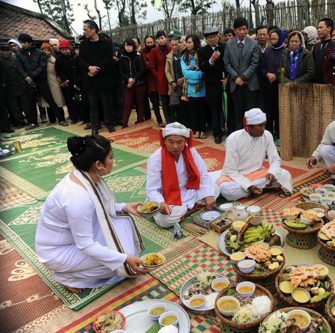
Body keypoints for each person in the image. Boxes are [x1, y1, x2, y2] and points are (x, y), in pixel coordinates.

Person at [35, 135, 149, 293]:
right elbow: (85, 245)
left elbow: (97, 205)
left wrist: (124, 206)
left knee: (123, 222)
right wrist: (123, 260)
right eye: (111, 157)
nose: (113, 161)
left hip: (71, 240)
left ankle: (97, 266)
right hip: (58, 252)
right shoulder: (77, 197)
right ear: (98, 164)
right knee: (117, 265)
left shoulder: (83, 176)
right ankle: (67, 277)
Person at [145, 122, 219, 229]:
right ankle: (193, 209)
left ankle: (185, 211)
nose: (175, 147)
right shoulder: (155, 158)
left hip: (186, 191)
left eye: (180, 142)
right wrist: (161, 203)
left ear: (185, 141)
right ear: (164, 141)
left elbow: (202, 173)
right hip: (166, 197)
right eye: (171, 142)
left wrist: (207, 195)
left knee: (215, 189)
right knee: (163, 220)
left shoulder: (190, 151)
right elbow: (152, 189)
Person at [217, 108, 293, 201]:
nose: (264, 129)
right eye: (260, 125)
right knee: (226, 189)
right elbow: (230, 169)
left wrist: (272, 172)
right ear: (249, 126)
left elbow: (275, 159)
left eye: (264, 125)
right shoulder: (234, 138)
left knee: (285, 175)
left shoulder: (267, 135)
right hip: (237, 176)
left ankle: (256, 189)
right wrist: (248, 186)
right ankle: (262, 188)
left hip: (257, 173)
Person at [16, 34, 68, 129]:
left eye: (24, 42)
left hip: (41, 80)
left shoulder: (39, 53)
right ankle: (33, 122)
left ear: (30, 42)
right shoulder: (19, 54)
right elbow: (19, 67)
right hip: (28, 82)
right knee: (31, 103)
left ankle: (60, 119)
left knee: (50, 100)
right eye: (21, 42)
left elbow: (42, 66)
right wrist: (27, 77)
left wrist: (31, 76)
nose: (23, 44)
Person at [223, 17, 261, 135]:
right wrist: (236, 78)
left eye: (244, 29)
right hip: (235, 84)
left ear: (248, 29)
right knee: (237, 112)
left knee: (250, 113)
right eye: (239, 29)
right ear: (235, 30)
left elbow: (255, 63)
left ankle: (251, 135)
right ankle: (239, 136)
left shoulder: (254, 43)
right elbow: (226, 62)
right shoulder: (229, 44)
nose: (242, 32)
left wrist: (243, 77)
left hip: (250, 84)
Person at [79, 20, 115, 134]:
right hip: (90, 79)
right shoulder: (83, 44)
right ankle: (95, 126)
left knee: (106, 104)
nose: (84, 32)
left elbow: (108, 59)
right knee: (93, 105)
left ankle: (109, 124)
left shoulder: (106, 43)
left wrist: (96, 69)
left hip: (103, 78)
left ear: (93, 29)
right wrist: (89, 68)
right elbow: (81, 60)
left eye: (86, 29)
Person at [199, 27, 228, 144]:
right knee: (215, 110)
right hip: (212, 85)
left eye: (215, 36)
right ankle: (217, 133)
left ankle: (230, 131)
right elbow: (202, 67)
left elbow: (229, 63)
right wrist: (211, 60)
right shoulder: (202, 51)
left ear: (218, 36)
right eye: (210, 37)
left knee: (228, 108)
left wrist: (228, 78)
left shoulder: (224, 47)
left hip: (226, 82)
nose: (213, 39)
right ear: (206, 39)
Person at [261, 28, 286, 143]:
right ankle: (269, 134)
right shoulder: (267, 52)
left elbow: (287, 68)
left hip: (280, 87)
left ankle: (280, 134)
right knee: (268, 111)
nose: (273, 41)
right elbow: (261, 67)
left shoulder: (286, 51)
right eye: (271, 39)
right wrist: (267, 74)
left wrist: (275, 75)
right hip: (267, 86)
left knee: (279, 111)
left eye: (276, 39)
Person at [180, 34, 206, 139]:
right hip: (190, 88)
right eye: (187, 42)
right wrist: (198, 76)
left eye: (190, 42)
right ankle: (195, 129)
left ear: (195, 43)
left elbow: (203, 71)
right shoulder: (184, 56)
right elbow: (186, 73)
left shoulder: (202, 54)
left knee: (202, 109)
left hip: (201, 88)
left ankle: (202, 129)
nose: (188, 44)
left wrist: (198, 76)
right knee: (193, 110)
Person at [119, 38, 147, 127]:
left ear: (133, 46)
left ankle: (140, 120)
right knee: (127, 104)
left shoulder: (139, 56)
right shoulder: (122, 57)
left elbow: (142, 70)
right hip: (127, 84)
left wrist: (134, 79)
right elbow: (121, 71)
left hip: (139, 83)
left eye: (130, 45)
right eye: (126, 45)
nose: (128, 48)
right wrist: (128, 79)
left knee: (140, 103)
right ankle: (124, 122)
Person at [0, 44, 28, 129]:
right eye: (3, 51)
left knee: (25, 104)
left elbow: (24, 70)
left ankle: (30, 120)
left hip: (20, 84)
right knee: (14, 107)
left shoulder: (16, 58)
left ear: (10, 51)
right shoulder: (0, 61)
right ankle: (19, 122)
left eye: (7, 51)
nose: (5, 53)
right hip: (8, 87)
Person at [150, 31, 172, 123]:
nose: (160, 40)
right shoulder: (154, 50)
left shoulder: (171, 48)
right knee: (164, 100)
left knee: (173, 98)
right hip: (162, 77)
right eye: (158, 39)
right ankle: (168, 120)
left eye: (162, 38)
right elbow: (151, 66)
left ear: (166, 38)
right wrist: (158, 75)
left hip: (171, 75)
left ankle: (174, 119)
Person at [55, 40, 80, 124]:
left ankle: (81, 116)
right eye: (62, 49)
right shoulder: (59, 59)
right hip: (67, 82)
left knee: (79, 100)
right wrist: (65, 79)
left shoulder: (75, 56)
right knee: (70, 101)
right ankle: (73, 117)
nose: (64, 51)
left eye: (66, 49)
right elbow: (58, 71)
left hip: (76, 81)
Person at [165, 37, 188, 127]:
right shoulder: (169, 56)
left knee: (185, 104)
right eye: (172, 45)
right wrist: (172, 82)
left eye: (176, 44)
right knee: (175, 104)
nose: (174, 47)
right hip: (174, 84)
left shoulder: (184, 54)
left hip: (184, 82)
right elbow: (167, 71)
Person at [141, 35, 163, 124]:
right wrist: (152, 64)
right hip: (149, 80)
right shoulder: (142, 52)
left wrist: (149, 63)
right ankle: (158, 120)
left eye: (151, 42)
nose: (150, 44)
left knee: (161, 100)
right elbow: (144, 65)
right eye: (148, 43)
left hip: (159, 77)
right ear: (145, 43)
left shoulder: (158, 50)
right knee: (154, 102)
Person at [73, 42, 91, 127]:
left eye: (78, 49)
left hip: (86, 83)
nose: (76, 51)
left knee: (88, 103)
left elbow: (84, 72)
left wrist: (77, 83)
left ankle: (91, 121)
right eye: (75, 49)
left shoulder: (85, 59)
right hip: (78, 84)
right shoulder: (75, 59)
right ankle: (85, 119)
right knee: (81, 103)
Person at [313, 18, 335, 83]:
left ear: (329, 28)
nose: (318, 30)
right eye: (318, 28)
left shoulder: (334, 45)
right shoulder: (317, 45)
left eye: (321, 28)